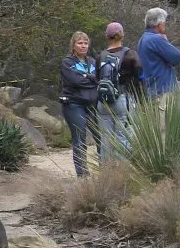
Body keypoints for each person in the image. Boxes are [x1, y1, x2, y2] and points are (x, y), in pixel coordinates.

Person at [96, 22, 143, 159]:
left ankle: (106, 174)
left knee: (106, 139)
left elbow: (97, 79)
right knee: (124, 137)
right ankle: (121, 174)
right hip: (122, 100)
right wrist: (141, 102)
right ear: (123, 35)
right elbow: (140, 78)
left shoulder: (100, 56)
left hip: (103, 102)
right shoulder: (131, 55)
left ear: (106, 36)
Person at [60, 31, 100, 176]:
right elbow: (75, 80)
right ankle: (82, 174)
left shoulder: (92, 61)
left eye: (85, 43)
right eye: (80, 43)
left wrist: (87, 77)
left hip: (92, 104)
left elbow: (99, 79)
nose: (83, 46)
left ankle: (105, 171)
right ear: (73, 45)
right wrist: (91, 79)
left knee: (101, 136)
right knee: (80, 138)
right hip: (74, 104)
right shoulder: (67, 62)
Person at [137, 8, 180, 124]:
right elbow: (176, 57)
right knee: (165, 130)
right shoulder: (156, 39)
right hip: (162, 91)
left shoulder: (143, 39)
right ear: (160, 24)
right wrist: (165, 42)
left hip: (151, 90)